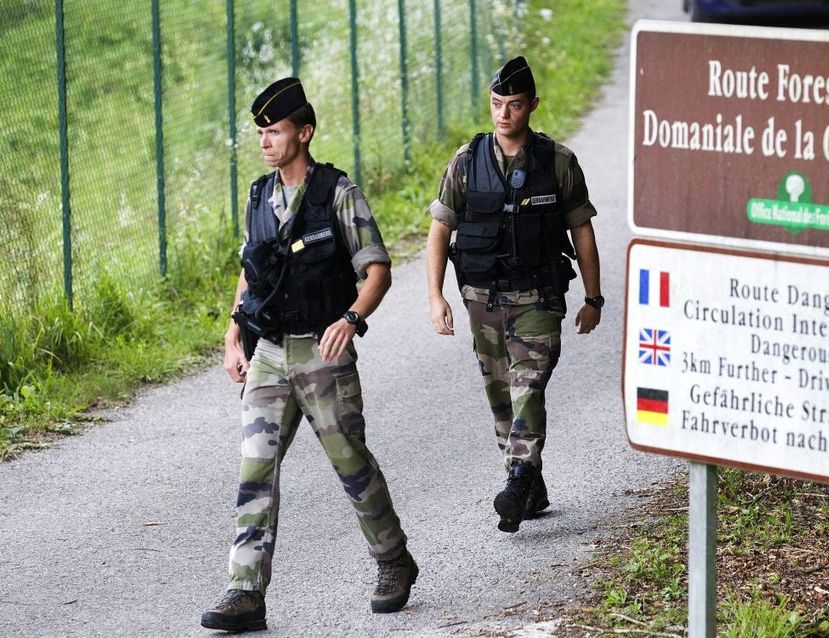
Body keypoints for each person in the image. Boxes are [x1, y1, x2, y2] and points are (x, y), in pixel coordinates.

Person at [202, 78, 417, 632]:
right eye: (260, 133)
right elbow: (250, 274)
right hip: (270, 351)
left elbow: (377, 270)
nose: (265, 141)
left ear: (304, 131)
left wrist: (351, 319)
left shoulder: (336, 193)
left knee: (350, 463)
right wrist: (232, 337)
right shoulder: (257, 196)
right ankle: (244, 591)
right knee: (255, 469)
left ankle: (393, 560)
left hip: (323, 352)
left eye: (274, 131)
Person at [425, 57, 604, 533]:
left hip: (538, 299)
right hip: (482, 300)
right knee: (501, 395)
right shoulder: (466, 161)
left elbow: (581, 230)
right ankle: (529, 484)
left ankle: (519, 475)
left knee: (528, 385)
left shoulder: (557, 162)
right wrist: (435, 296)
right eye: (497, 104)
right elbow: (440, 228)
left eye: (515, 105)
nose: (504, 114)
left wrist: (594, 297)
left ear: (532, 106)